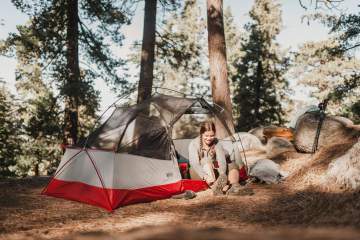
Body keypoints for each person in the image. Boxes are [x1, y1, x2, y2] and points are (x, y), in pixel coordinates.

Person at [188, 120, 248, 195]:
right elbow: (195, 164)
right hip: (200, 173)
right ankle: (215, 187)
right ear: (201, 134)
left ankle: (234, 186)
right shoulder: (194, 144)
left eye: (212, 136)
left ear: (215, 134)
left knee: (232, 165)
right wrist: (205, 176)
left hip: (215, 169)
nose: (209, 138)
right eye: (206, 136)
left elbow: (221, 160)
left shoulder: (216, 142)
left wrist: (222, 174)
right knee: (207, 163)